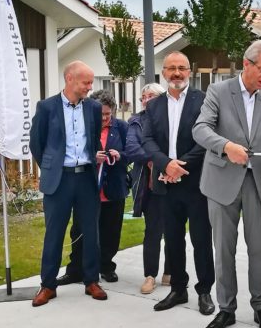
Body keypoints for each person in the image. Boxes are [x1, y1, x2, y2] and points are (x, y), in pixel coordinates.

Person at [193, 39, 261, 328]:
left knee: (260, 249)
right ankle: (226, 309)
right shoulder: (218, 91)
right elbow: (200, 129)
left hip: (257, 181)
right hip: (221, 181)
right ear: (246, 64)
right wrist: (226, 147)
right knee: (223, 250)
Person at [143, 51, 216, 316]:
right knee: (172, 239)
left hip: (195, 182)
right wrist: (166, 164)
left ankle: (205, 290)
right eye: (171, 68)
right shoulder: (153, 106)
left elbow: (207, 139)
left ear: (190, 71)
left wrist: (179, 165)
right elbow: (147, 140)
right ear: (163, 73)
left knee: (201, 239)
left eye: (182, 68)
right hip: (165, 182)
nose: (177, 73)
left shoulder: (204, 101)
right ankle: (178, 288)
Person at [29, 61, 107, 306]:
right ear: (70, 79)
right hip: (59, 180)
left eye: (90, 82)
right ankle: (48, 285)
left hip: (85, 178)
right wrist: (51, 167)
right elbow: (37, 143)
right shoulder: (47, 107)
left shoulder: (93, 108)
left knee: (91, 232)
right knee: (54, 233)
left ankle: (91, 281)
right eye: (86, 82)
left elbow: (93, 140)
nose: (89, 87)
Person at [57, 90, 130, 284]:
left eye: (108, 113)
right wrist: (91, 158)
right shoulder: (83, 127)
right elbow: (71, 152)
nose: (105, 118)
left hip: (113, 189)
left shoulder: (122, 127)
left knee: (111, 231)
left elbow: (134, 152)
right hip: (87, 189)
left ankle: (106, 266)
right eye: (101, 114)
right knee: (80, 231)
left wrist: (120, 155)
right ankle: (75, 270)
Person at [126, 83, 171, 294]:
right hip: (149, 185)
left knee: (174, 229)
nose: (145, 100)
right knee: (153, 231)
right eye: (143, 97)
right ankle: (150, 275)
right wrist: (159, 159)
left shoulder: (171, 118)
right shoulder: (136, 121)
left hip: (173, 182)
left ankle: (171, 272)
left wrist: (162, 160)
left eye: (150, 96)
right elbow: (132, 148)